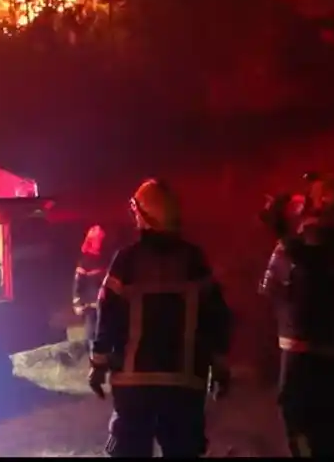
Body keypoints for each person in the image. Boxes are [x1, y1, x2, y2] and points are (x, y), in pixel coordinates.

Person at [89, 179, 232, 458]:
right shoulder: (194, 261)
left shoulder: (126, 261)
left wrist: (98, 365)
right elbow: (217, 316)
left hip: (133, 389)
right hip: (185, 387)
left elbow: (108, 316)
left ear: (141, 215)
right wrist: (221, 367)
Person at [259, 174, 334, 458]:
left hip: (298, 361)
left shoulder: (291, 250)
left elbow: (270, 292)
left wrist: (280, 227)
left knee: (301, 431)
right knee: (332, 435)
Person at [73, 224, 110, 343]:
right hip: (91, 306)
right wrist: (77, 303)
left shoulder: (105, 258)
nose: (101, 242)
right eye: (99, 239)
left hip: (104, 305)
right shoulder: (85, 261)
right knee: (91, 336)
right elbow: (78, 284)